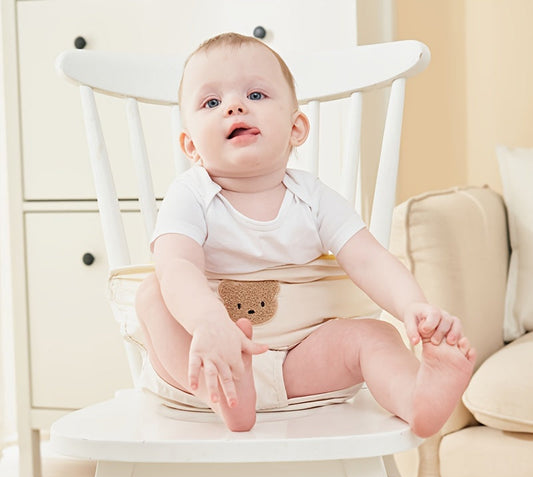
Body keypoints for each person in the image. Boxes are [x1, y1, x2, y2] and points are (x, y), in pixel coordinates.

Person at [135, 32, 476, 435]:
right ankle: (228, 395)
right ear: (191, 146)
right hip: (206, 360)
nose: (235, 106)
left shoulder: (313, 198)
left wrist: (412, 308)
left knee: (374, 335)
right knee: (154, 293)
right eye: (212, 102)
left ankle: (417, 397)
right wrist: (209, 322)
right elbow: (177, 264)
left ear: (296, 128)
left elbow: (367, 258)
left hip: (302, 361)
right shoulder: (190, 193)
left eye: (257, 95)